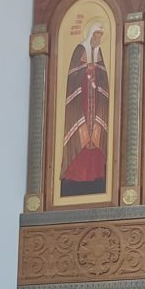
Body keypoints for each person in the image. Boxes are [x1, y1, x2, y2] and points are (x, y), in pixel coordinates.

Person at [59, 25, 109, 194]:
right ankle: (76, 176)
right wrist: (86, 70)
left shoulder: (99, 52)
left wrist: (96, 73)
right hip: (82, 102)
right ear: (91, 34)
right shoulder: (80, 49)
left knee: (96, 136)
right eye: (96, 34)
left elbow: (103, 77)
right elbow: (73, 74)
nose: (98, 38)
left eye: (100, 35)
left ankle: (97, 175)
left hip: (96, 101)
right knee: (82, 135)